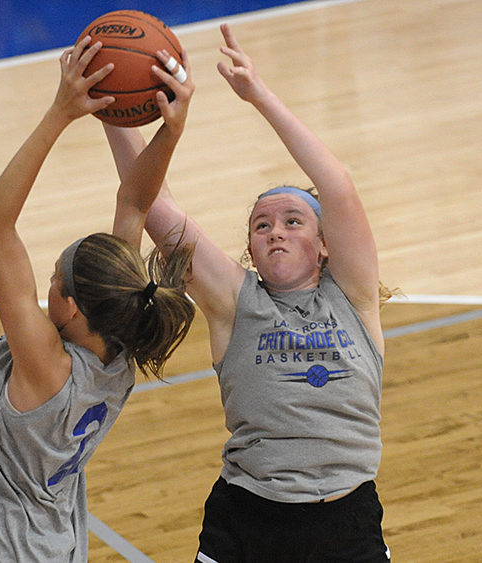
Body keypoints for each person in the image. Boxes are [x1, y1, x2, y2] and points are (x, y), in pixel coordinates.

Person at [104, 24, 392, 562]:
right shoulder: (235, 302)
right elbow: (155, 209)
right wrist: (112, 113)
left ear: (327, 244)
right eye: (262, 226)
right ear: (251, 253)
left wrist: (258, 94)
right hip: (250, 521)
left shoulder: (353, 296)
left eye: (292, 221)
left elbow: (338, 185)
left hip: (346, 523)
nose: (275, 231)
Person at [0, 37, 197, 562]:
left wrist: (60, 112)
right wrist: (170, 129)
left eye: (53, 280)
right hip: (52, 547)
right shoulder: (118, 344)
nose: (44, 287)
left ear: (71, 306)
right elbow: (135, 199)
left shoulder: (45, 366)